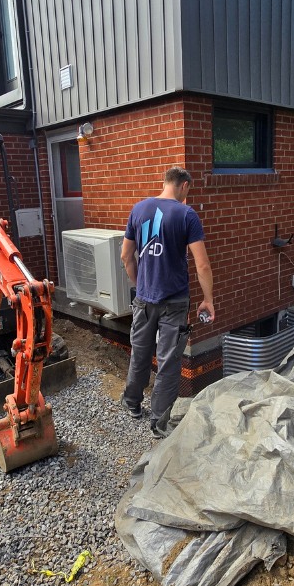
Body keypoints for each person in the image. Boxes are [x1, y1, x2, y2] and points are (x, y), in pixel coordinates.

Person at [120, 166, 214, 438]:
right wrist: (208, 300)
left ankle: (132, 403)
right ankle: (159, 423)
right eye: (189, 190)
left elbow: (126, 256)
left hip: (144, 300)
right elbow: (203, 264)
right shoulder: (186, 214)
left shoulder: (138, 209)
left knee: (140, 352)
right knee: (169, 361)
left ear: (165, 183)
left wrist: (141, 287)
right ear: (184, 186)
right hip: (174, 301)